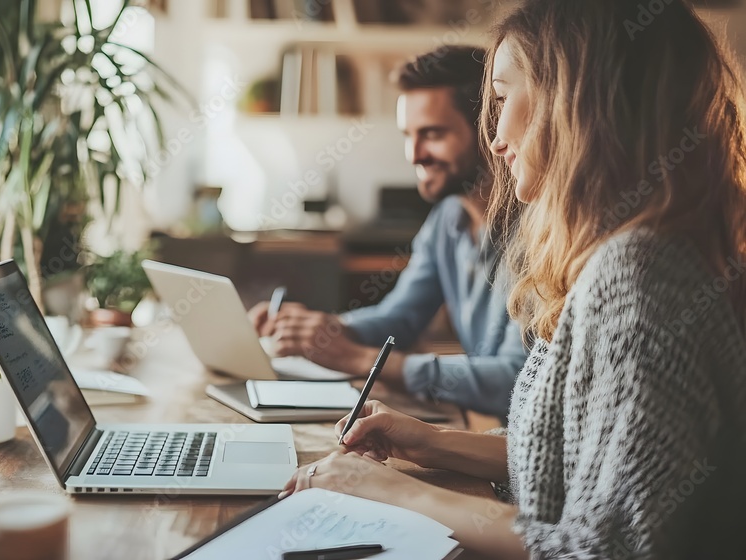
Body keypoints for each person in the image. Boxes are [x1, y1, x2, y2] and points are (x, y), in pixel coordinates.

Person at [278, 1, 746, 558]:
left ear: (575, 104)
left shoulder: (637, 278)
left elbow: (605, 548)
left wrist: (388, 489)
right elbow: (578, 460)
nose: (495, 138)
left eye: (500, 99)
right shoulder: (617, 256)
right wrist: (433, 441)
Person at [249, 45, 528, 419]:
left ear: (488, 128)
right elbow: (401, 318)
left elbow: (516, 383)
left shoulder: (540, 232)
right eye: (408, 135)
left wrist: (363, 359)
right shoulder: (447, 220)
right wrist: (323, 328)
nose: (414, 154)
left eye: (432, 133)